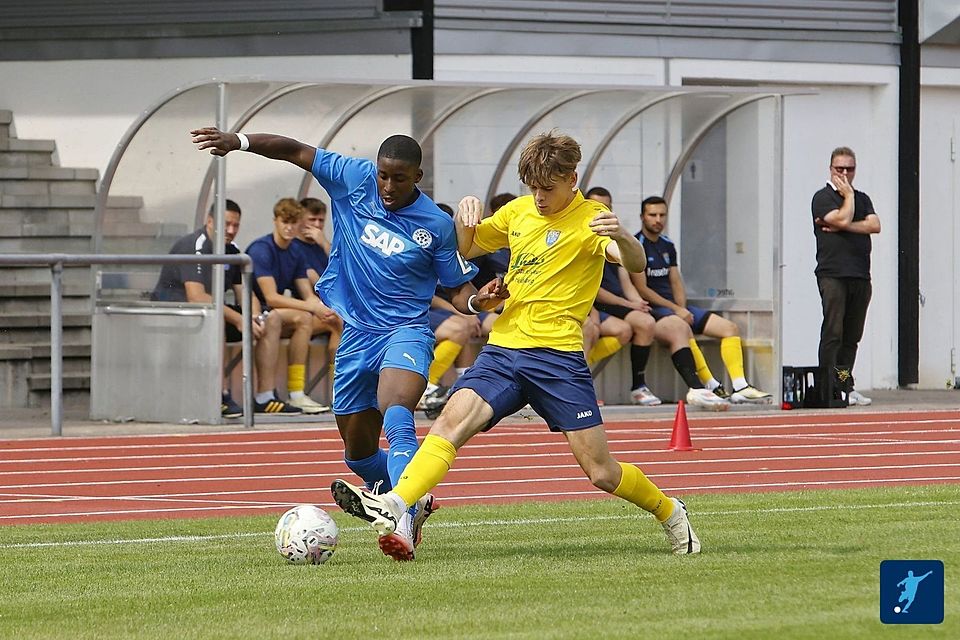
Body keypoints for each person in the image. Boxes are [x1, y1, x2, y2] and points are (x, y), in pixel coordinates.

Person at [331, 130, 701, 556]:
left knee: (601, 473)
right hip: (504, 349)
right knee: (450, 422)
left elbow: (633, 262)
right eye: (533, 188)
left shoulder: (591, 219)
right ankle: (398, 503)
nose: (540, 198)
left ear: (572, 179)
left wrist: (622, 235)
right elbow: (467, 247)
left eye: (548, 188)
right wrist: (464, 218)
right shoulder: (519, 212)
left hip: (557, 359)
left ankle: (671, 511)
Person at [191, 126, 506, 561]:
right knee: (357, 454)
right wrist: (239, 142)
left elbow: (455, 290)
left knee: (397, 415)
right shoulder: (352, 177)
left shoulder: (436, 224)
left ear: (418, 176)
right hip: (356, 334)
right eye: (383, 176)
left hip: (405, 332)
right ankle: (400, 496)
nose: (388, 186)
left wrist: (475, 301)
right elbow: (293, 150)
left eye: (399, 178)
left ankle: (405, 514)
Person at [151, 199, 301, 416]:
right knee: (217, 319)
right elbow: (196, 297)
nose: (231, 230)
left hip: (207, 314)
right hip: (176, 315)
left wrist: (255, 316)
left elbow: (245, 293)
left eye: (236, 225)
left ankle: (265, 397)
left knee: (272, 319)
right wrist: (239, 319)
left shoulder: (232, 249)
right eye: (226, 224)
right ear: (210, 221)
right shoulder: (196, 245)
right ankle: (219, 394)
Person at [630, 196, 771, 407]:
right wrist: (676, 309)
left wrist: (682, 307)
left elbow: (676, 280)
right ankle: (710, 385)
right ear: (642, 217)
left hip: (676, 308)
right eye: (652, 215)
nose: (658, 220)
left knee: (729, 328)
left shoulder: (667, 244)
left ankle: (740, 387)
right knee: (682, 328)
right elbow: (642, 288)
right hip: (656, 311)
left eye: (662, 215)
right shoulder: (636, 245)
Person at [245, 198, 340, 415]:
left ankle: (340, 393)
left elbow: (307, 292)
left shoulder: (295, 252)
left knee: (335, 320)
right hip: (256, 314)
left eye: (293, 222)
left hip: (278, 315)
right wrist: (311, 306)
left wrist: (321, 308)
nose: (288, 227)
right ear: (275, 221)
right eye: (284, 221)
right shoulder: (262, 249)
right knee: (300, 317)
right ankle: (281, 393)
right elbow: (272, 297)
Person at [811, 146, 881, 406]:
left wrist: (846, 225)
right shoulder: (823, 197)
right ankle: (827, 385)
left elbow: (874, 225)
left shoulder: (862, 198)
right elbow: (839, 216)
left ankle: (844, 383)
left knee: (852, 336)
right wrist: (847, 199)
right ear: (831, 169)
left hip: (860, 275)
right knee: (833, 332)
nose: (844, 173)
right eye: (839, 168)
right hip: (833, 275)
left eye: (849, 169)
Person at [585, 186, 660, 406]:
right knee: (591, 328)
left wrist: (636, 302)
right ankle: (577, 381)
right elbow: (592, 288)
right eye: (596, 207)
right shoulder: (580, 235)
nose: (601, 212)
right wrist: (626, 304)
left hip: (615, 303)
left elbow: (625, 275)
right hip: (592, 303)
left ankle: (638, 387)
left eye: (606, 207)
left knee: (645, 322)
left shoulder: (613, 237)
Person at [294, 196, 340, 396]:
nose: (317, 225)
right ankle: (338, 389)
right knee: (339, 321)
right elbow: (316, 282)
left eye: (321, 221)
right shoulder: (294, 247)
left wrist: (323, 243)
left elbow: (344, 264)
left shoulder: (321, 247)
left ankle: (340, 387)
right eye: (312, 220)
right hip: (304, 308)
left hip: (326, 308)